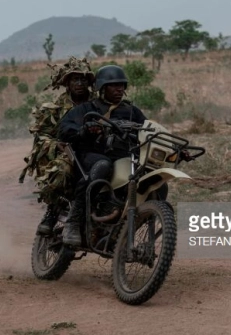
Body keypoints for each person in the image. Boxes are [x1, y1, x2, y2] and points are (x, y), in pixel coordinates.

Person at [57, 65, 146, 247]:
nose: (119, 89)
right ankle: (74, 221)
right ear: (102, 88)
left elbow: (149, 130)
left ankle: (124, 229)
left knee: (155, 182)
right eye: (114, 85)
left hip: (124, 159)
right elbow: (64, 128)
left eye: (122, 85)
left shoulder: (132, 111)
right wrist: (84, 130)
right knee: (103, 165)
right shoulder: (86, 109)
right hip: (92, 155)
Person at [19, 56, 96, 236]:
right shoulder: (56, 108)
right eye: (75, 79)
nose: (79, 83)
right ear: (67, 83)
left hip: (96, 152)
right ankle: (52, 213)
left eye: (83, 79)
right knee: (61, 172)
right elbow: (42, 135)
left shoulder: (98, 103)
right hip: (68, 153)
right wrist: (56, 146)